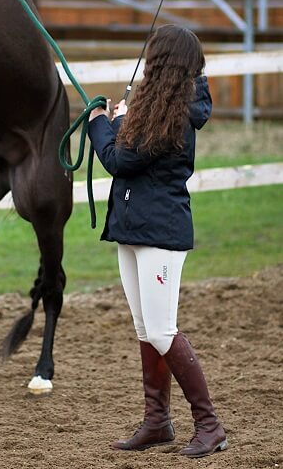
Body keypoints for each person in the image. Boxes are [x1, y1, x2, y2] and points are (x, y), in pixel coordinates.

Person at [88, 24, 227, 458]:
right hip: (132, 228)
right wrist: (122, 118)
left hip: (160, 233)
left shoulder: (176, 115)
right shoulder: (159, 107)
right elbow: (130, 151)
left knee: (163, 331)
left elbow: (120, 159)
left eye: (153, 57)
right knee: (146, 330)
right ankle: (156, 421)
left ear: (162, 63)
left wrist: (101, 124)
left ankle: (210, 425)